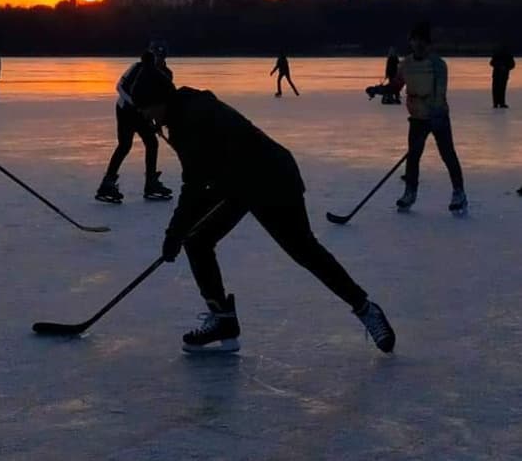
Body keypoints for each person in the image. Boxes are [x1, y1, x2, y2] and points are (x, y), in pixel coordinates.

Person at [125, 63, 394, 354]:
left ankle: (365, 308)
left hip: (272, 179)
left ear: (159, 99)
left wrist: (173, 233)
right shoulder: (183, 111)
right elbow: (202, 183)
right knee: (197, 240)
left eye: (145, 107)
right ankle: (223, 319)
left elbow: (193, 185)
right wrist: (178, 234)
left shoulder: (190, 119)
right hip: (237, 182)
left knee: (305, 251)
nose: (143, 114)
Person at [366, 21, 467, 213]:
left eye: (423, 41)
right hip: (417, 117)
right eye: (415, 40)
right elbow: (396, 85)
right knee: (413, 157)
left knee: (448, 155)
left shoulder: (438, 65)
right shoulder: (406, 64)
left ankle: (459, 192)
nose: (419, 44)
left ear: (428, 43)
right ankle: (410, 192)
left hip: (438, 118)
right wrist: (377, 89)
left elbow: (440, 92)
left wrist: (436, 115)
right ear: (411, 42)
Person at [95, 44, 173, 203]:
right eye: (155, 55)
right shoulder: (137, 68)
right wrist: (135, 104)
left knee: (152, 143)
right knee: (125, 145)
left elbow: (161, 101)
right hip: (125, 111)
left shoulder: (165, 74)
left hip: (143, 114)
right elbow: (120, 87)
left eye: (160, 56)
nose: (157, 59)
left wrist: (158, 122)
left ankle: (151, 183)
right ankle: (107, 184)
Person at [489, 44, 514, 109]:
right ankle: (497, 103)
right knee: (498, 89)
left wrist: (505, 67)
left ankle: (499, 103)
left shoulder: (508, 55)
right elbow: (492, 63)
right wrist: (500, 66)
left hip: (503, 75)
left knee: (500, 89)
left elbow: (512, 65)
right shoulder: (499, 55)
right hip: (498, 75)